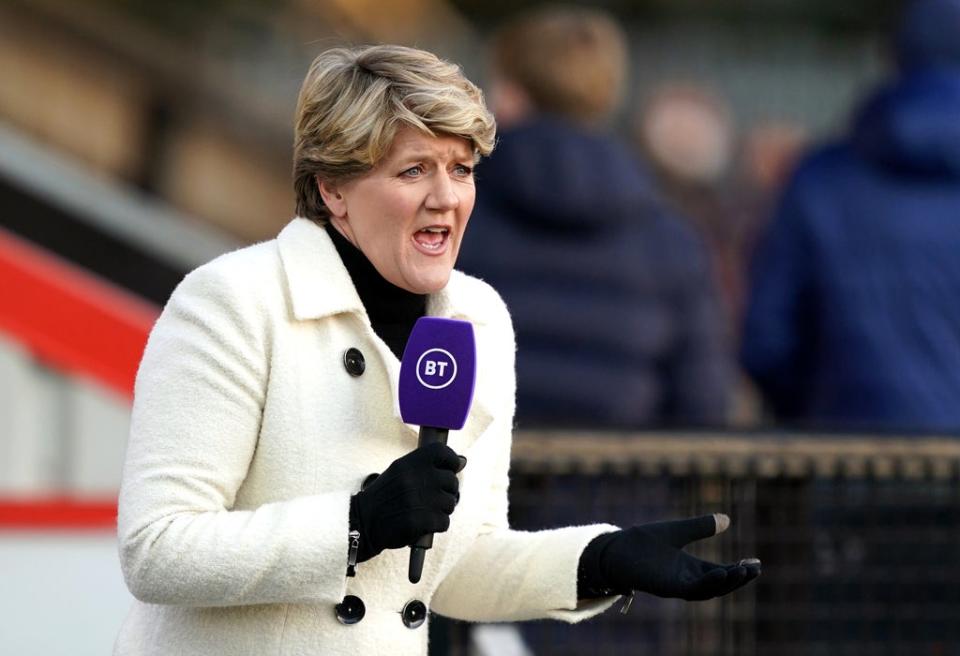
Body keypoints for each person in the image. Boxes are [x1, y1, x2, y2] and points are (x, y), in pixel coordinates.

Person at [114, 44, 759, 656]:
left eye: (462, 169)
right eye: (414, 170)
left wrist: (598, 559)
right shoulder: (232, 301)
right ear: (332, 188)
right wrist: (359, 523)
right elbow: (158, 548)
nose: (446, 198)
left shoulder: (479, 316)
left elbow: (456, 565)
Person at [457, 7, 733, 429]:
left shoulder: (453, 215)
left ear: (509, 94)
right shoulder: (669, 239)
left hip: (474, 486)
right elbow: (703, 403)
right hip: (622, 489)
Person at [741, 0, 960, 431]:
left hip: (846, 461)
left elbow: (767, 340)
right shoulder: (821, 178)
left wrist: (816, 411)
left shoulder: (822, 179)